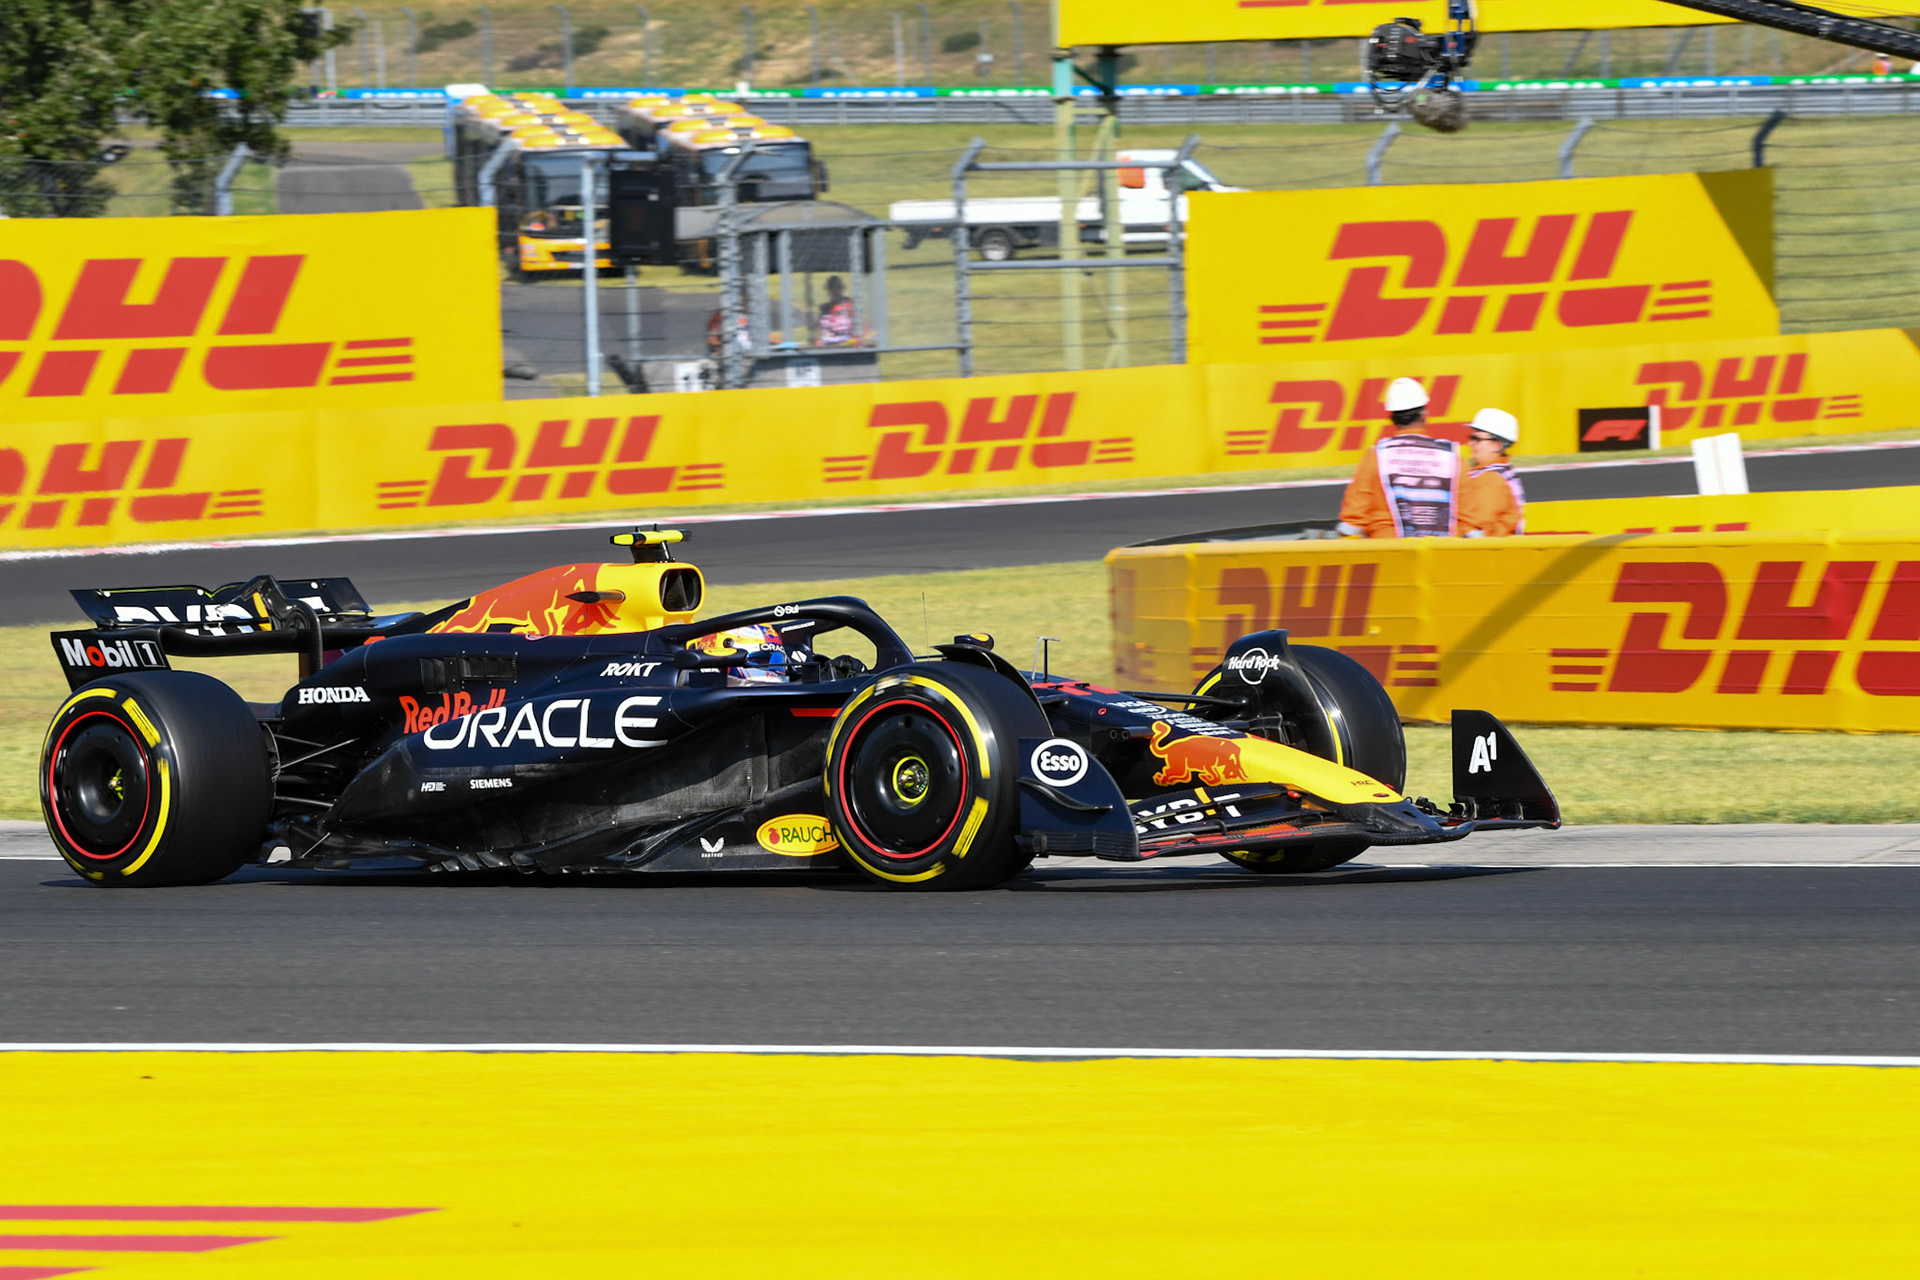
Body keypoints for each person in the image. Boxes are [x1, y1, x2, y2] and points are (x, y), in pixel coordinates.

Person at [1337, 376, 1462, 538]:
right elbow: (1469, 518)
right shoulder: (1452, 457)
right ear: (1425, 414)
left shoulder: (1376, 456)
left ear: (1391, 417)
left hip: (1389, 553)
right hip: (1443, 554)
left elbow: (1353, 519)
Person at [1459, 407, 1526, 537]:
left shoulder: (1490, 480)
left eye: (1476, 439)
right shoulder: (1502, 472)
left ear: (1497, 445)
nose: (1469, 443)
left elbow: (1473, 530)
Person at [816, 275, 856, 346]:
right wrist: (818, 341)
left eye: (838, 287)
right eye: (832, 288)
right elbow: (819, 331)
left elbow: (859, 325)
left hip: (848, 343)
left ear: (842, 288)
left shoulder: (849, 305)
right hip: (828, 344)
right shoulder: (824, 309)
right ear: (828, 290)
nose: (835, 291)